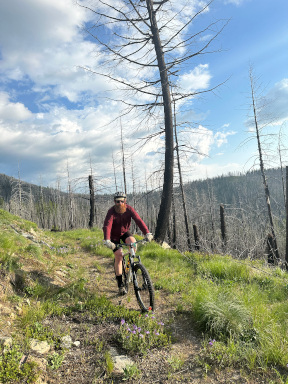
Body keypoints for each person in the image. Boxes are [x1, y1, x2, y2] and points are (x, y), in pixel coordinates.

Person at [103, 191, 153, 295]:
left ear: (125, 201)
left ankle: (131, 265)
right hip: (113, 236)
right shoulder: (111, 211)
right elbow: (107, 225)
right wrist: (107, 240)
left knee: (133, 244)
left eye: (122, 201)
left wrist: (147, 233)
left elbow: (138, 220)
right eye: (117, 201)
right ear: (114, 202)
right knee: (119, 256)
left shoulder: (129, 209)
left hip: (125, 232)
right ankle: (121, 284)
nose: (120, 203)